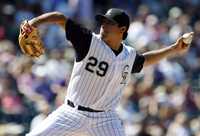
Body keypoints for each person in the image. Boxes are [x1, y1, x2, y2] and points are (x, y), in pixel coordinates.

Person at [22, 8, 192, 136]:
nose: (103, 25)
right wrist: (32, 23)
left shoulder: (129, 55)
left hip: (105, 119)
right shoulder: (88, 41)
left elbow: (145, 60)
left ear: (122, 29)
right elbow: (59, 18)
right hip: (72, 112)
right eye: (103, 21)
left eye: (109, 23)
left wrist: (173, 49)